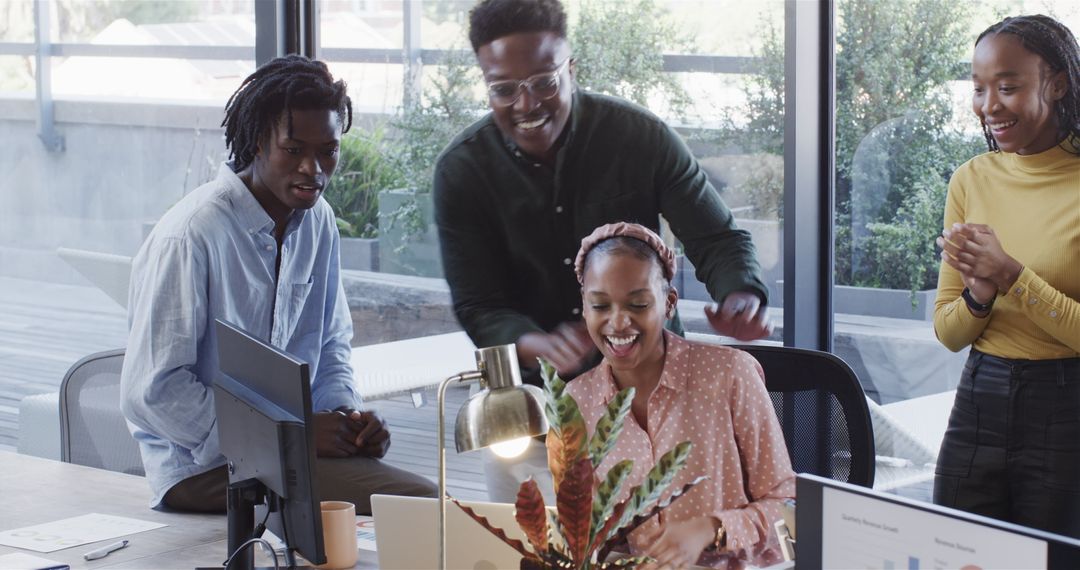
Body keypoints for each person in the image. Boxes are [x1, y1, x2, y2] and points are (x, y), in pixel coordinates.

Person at [435, 0, 772, 503]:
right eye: (504, 89)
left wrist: (739, 294)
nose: (526, 104)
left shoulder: (640, 137)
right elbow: (480, 305)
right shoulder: (461, 172)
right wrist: (535, 343)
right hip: (533, 415)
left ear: (571, 69)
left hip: (655, 404)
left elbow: (717, 238)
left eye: (545, 82)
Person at [120, 55, 437, 513]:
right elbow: (153, 392)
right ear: (256, 145)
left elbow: (330, 344)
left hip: (284, 452)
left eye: (328, 149)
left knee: (402, 511)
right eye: (294, 150)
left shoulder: (318, 221)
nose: (314, 168)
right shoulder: (191, 235)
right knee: (420, 505)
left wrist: (347, 421)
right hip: (201, 468)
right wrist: (295, 435)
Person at [565, 222, 795, 569]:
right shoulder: (576, 401)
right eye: (600, 306)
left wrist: (711, 528)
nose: (618, 322)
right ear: (584, 307)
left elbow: (788, 504)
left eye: (638, 304)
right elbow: (583, 531)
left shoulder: (730, 376)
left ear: (669, 303)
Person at [932, 14, 1079, 538]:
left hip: (1068, 408)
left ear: (1058, 83)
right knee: (953, 549)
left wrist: (1014, 276)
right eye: (978, 88)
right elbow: (948, 334)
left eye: (1008, 87)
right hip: (979, 396)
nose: (989, 105)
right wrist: (979, 295)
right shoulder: (971, 179)